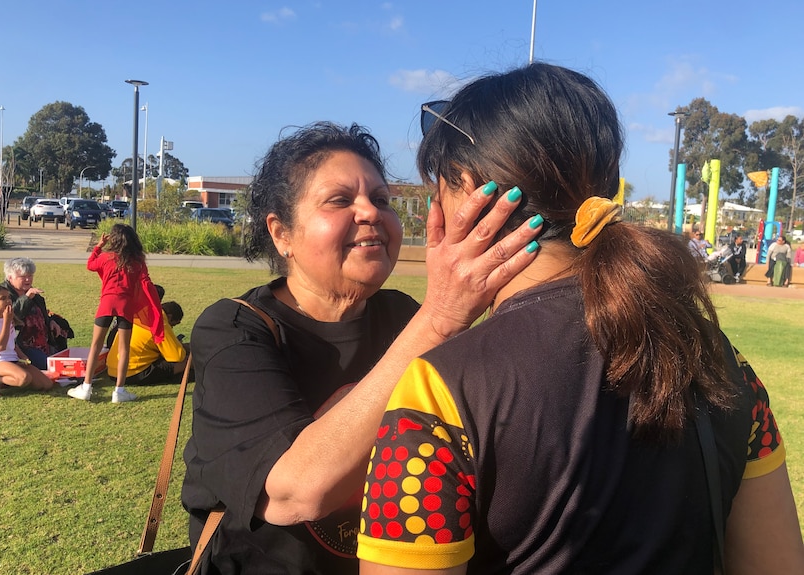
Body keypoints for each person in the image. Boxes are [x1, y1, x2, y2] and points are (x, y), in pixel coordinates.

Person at [356, 63, 804, 574]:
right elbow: (778, 563)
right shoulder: (720, 361)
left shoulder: (439, 390)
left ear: (467, 188)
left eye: (441, 186)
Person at [180, 121, 542, 574]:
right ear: (282, 233)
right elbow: (295, 492)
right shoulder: (234, 329)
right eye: (339, 200)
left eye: (381, 200)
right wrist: (440, 318)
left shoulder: (402, 316)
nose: (370, 212)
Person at [67, 223, 163, 403]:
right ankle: (119, 390)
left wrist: (98, 246)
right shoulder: (137, 261)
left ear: (114, 239)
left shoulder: (106, 257)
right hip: (126, 305)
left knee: (96, 345)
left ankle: (86, 387)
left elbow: (90, 265)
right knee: (124, 348)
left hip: (107, 302)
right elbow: (145, 282)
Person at [0, 285, 55, 398]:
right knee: (24, 378)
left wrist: (24, 357)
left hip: (12, 359)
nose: (8, 301)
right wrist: (7, 321)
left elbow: (12, 343)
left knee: (47, 384)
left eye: (9, 298)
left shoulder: (8, 317)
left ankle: (9, 379)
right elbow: (0, 346)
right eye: (3, 298)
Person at [1, 257, 73, 370]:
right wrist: (27, 298)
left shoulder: (32, 292)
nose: (27, 280)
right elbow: (12, 316)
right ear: (10, 277)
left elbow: (42, 313)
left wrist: (51, 321)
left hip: (41, 342)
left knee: (61, 362)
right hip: (20, 345)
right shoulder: (2, 294)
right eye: (23, 277)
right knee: (51, 366)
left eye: (30, 276)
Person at [106, 300, 189, 385]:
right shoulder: (160, 323)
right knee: (187, 361)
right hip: (132, 373)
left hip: (112, 371)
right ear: (169, 317)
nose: (171, 328)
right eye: (172, 325)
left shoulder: (140, 315)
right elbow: (177, 356)